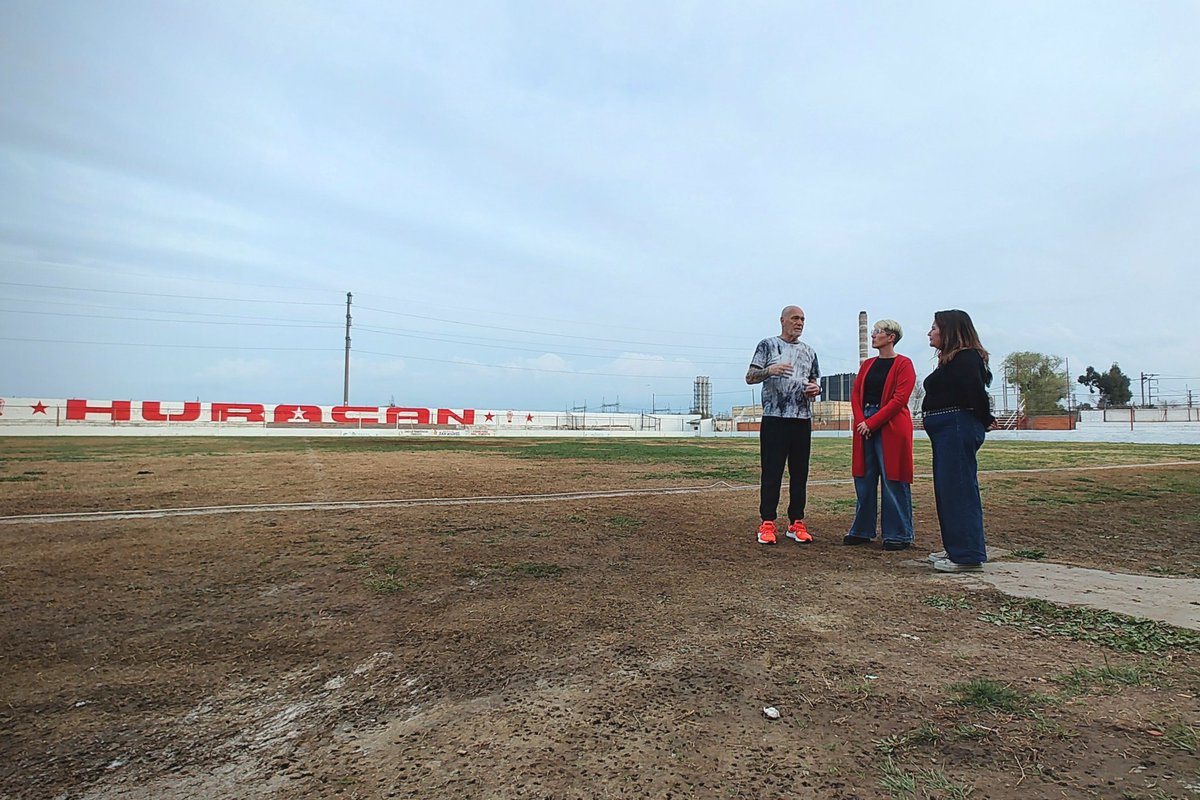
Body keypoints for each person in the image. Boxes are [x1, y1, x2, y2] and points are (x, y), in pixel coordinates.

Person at [922, 309, 997, 572]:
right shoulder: (951, 360)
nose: (929, 332)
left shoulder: (966, 358)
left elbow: (975, 393)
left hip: (955, 427)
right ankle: (956, 546)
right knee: (947, 490)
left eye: (934, 327)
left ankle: (967, 554)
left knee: (959, 490)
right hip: (945, 430)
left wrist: (985, 418)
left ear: (950, 330)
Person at [746, 305, 822, 545]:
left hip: (801, 420)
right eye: (795, 318)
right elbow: (750, 376)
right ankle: (767, 522)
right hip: (775, 419)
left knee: (800, 474)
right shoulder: (767, 345)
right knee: (772, 472)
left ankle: (796, 522)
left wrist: (815, 390)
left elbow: (814, 382)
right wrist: (770, 370)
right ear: (782, 321)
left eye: (803, 319)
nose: (799, 323)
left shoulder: (809, 352)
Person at [844, 319, 916, 551]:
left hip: (891, 426)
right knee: (863, 477)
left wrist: (872, 423)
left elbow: (899, 399)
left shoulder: (904, 364)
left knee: (893, 478)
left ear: (891, 337)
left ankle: (898, 534)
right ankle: (862, 530)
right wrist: (861, 421)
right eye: (873, 332)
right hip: (864, 423)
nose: (873, 336)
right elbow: (856, 394)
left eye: (878, 332)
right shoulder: (867, 365)